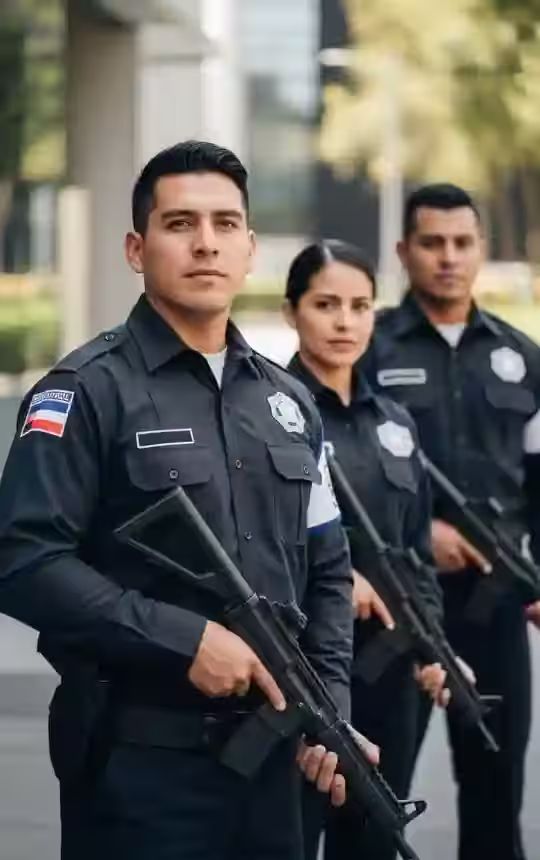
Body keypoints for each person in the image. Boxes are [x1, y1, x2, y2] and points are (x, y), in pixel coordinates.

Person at [0, 141, 363, 860]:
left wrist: (332, 712)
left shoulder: (289, 403)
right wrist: (183, 638)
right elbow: (24, 559)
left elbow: (328, 570)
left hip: (273, 769)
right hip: (139, 768)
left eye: (226, 224)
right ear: (137, 248)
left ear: (251, 247)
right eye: (180, 224)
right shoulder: (84, 391)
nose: (206, 244)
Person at [363, 182, 540, 860]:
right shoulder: (368, 347)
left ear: (481, 250)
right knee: (378, 794)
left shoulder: (521, 357)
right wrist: (417, 536)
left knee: (497, 794)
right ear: (405, 252)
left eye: (462, 243)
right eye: (432, 243)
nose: (448, 257)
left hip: (494, 608)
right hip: (394, 608)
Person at [283, 239, 449, 860]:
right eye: (326, 304)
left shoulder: (396, 425)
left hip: (390, 671)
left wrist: (435, 648)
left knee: (377, 839)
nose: (345, 321)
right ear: (290, 312)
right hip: (304, 666)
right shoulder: (268, 411)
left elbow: (416, 554)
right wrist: (333, 576)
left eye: (360, 305)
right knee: (293, 836)